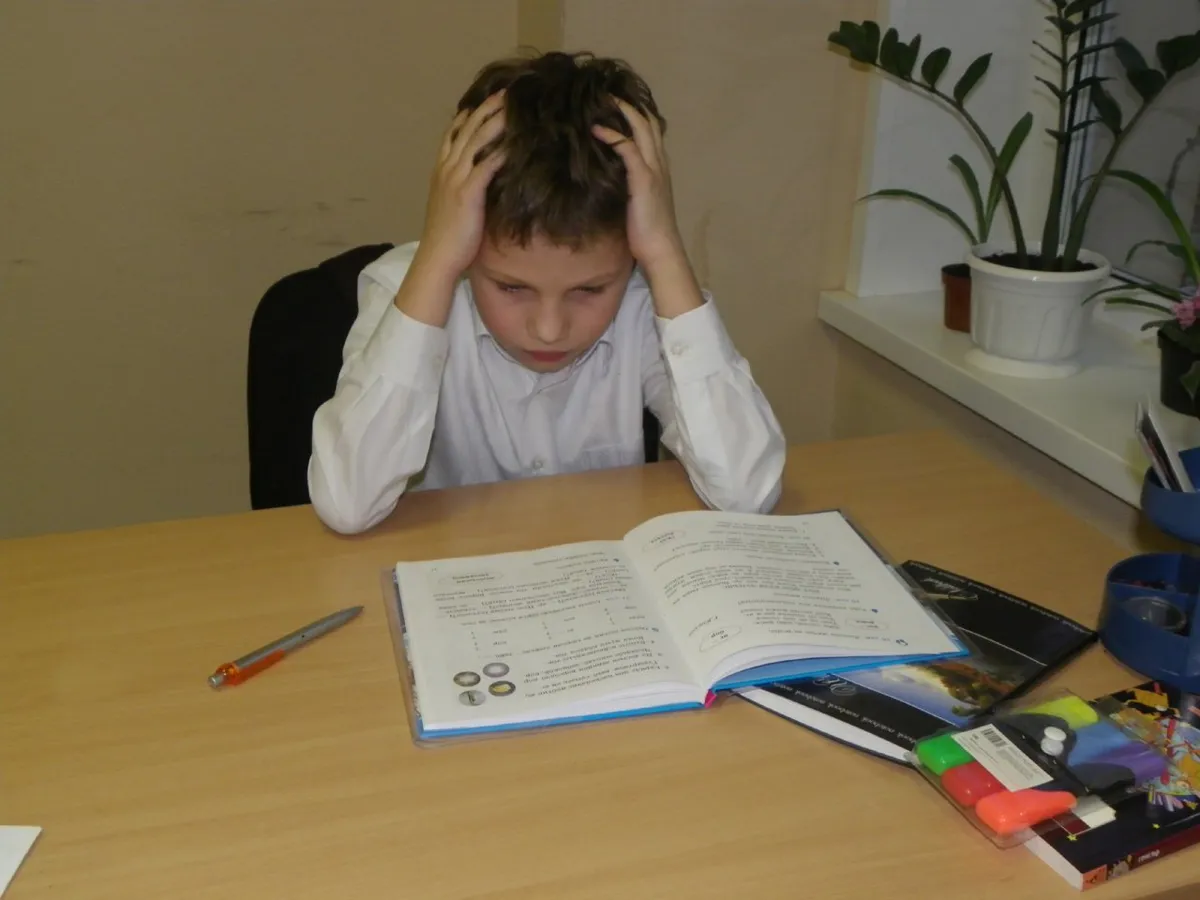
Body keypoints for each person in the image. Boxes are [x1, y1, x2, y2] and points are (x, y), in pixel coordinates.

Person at [308, 51, 785, 534]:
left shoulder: (646, 298)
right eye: (511, 286)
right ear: (464, 247)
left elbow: (748, 492)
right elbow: (349, 504)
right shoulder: (407, 291)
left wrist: (664, 251)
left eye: (590, 289)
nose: (549, 329)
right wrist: (437, 258)